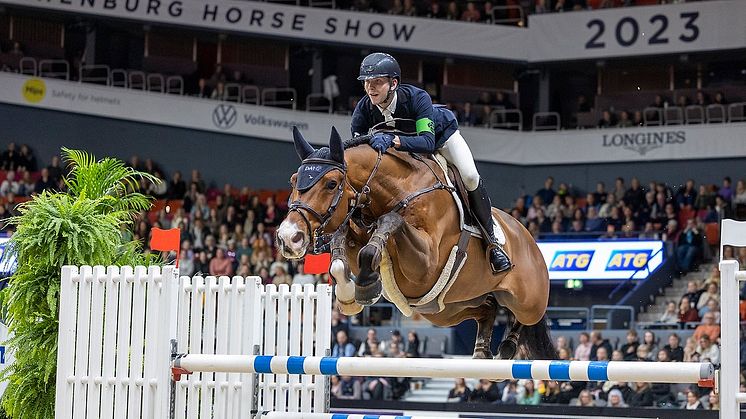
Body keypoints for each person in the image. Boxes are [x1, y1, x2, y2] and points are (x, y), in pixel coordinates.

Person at [351, 52, 510, 273]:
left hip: (441, 138)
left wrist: (392, 139)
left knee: (470, 176)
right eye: (367, 83)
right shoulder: (363, 109)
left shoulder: (417, 98)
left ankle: (492, 244)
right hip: (405, 150)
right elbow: (358, 147)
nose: (371, 88)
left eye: (377, 82)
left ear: (393, 83)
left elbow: (427, 141)